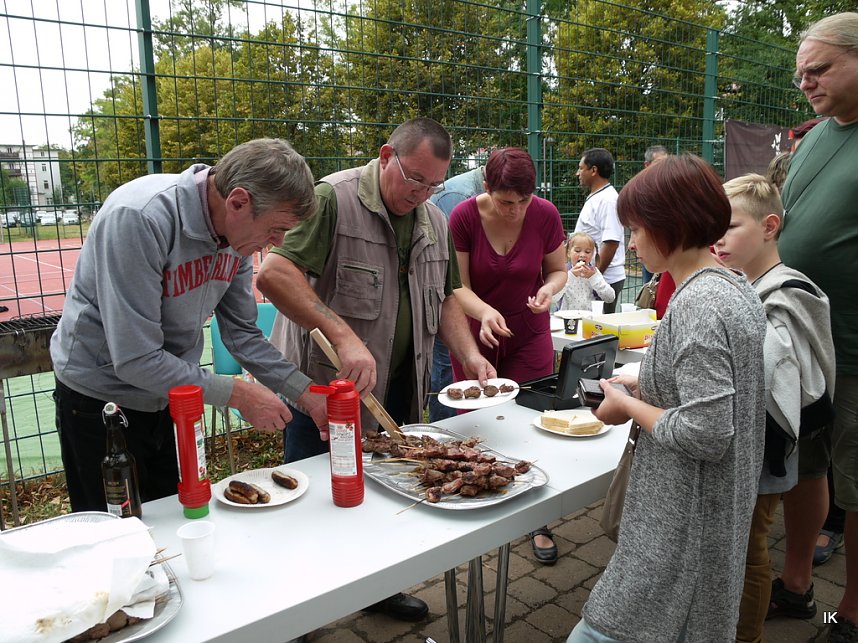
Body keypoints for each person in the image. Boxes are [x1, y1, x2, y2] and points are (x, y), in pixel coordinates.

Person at [256, 118, 496, 622]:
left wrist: (470, 355)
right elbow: (275, 273)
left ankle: (376, 590)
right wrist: (344, 335)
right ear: (387, 155)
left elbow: (447, 296)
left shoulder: (432, 218)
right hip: (327, 393)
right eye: (415, 179)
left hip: (400, 389)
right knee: (317, 501)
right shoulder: (333, 199)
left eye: (434, 184)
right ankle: (298, 613)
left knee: (386, 501)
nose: (423, 192)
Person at [51, 138, 327, 513]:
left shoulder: (237, 235)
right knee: (115, 534)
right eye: (276, 229)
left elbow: (243, 334)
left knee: (177, 516)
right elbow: (135, 358)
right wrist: (237, 394)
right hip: (101, 401)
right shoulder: (140, 217)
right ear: (239, 202)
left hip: (173, 395)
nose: (276, 244)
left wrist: (306, 393)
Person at [567, 154, 766, 642]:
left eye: (636, 230)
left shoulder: (698, 304)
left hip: (682, 524)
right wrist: (645, 382)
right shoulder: (732, 286)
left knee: (605, 630)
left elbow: (706, 431)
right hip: (709, 517)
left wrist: (625, 405)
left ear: (668, 226)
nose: (631, 244)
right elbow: (715, 391)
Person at [716, 174, 835, 643]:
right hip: (742, 444)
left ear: (769, 226)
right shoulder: (742, 282)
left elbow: (780, 379)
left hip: (764, 451)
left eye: (729, 226)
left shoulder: (787, 292)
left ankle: (745, 635)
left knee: (748, 548)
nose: (716, 239)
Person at [777, 13, 858, 642]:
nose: (805, 81)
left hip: (853, 345)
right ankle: (797, 586)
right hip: (798, 338)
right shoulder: (819, 135)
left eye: (820, 68)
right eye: (801, 70)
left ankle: (853, 616)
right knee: (803, 467)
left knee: (856, 484)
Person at [448, 147, 566, 564]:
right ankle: (482, 509)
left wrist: (550, 291)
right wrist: (483, 312)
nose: (515, 210)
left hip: (529, 332)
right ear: (486, 189)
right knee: (482, 425)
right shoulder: (463, 216)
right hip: (477, 336)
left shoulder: (546, 214)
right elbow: (455, 286)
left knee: (530, 421)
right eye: (504, 202)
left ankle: (537, 516)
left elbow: (557, 270)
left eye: (523, 201)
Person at [427, 165, 486, 423]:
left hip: (465, 299)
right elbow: (450, 273)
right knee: (447, 370)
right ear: (489, 186)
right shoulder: (457, 200)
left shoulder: (471, 192)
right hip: (446, 300)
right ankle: (446, 431)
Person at [573, 148, 625, 312]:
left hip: (604, 280)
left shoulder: (608, 200)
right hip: (593, 276)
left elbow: (611, 242)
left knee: (598, 332)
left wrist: (595, 276)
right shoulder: (598, 197)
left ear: (594, 170)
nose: (578, 173)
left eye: (581, 168)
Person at [553, 231, 615, 312]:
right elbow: (553, 298)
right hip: (568, 320)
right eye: (577, 251)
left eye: (587, 252)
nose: (582, 255)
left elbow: (610, 298)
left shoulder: (594, 273)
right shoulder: (563, 272)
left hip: (590, 319)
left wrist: (594, 278)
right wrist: (571, 276)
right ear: (569, 253)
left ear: (592, 254)